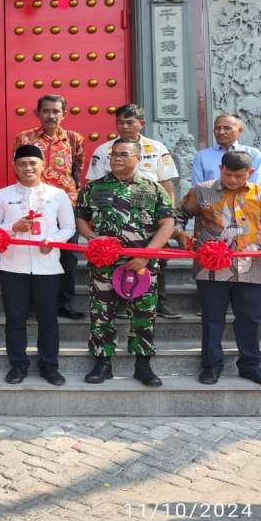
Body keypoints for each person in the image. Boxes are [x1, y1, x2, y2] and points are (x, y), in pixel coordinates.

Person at [176, 151, 261, 386]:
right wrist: (181, 235)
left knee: (249, 319)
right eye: (229, 175)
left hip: (251, 266)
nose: (233, 180)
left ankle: (250, 366)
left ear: (249, 173)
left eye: (239, 176)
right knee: (212, 319)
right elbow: (178, 215)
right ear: (220, 169)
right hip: (211, 265)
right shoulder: (201, 191)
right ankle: (211, 366)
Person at [75, 139, 176, 387]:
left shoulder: (153, 189)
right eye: (113, 155)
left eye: (123, 154)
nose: (117, 158)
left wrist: (147, 254)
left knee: (144, 313)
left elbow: (167, 224)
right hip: (103, 264)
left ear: (138, 159)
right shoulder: (93, 188)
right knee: (102, 314)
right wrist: (92, 238)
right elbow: (81, 218)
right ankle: (102, 362)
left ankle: (143, 365)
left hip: (141, 264)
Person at [0, 145, 75, 385]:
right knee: (15, 318)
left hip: (47, 266)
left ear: (42, 165)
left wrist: (54, 241)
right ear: (15, 167)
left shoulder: (57, 195)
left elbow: (69, 227)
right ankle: (18, 364)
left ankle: (49, 365)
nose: (28, 167)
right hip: (12, 266)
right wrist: (12, 228)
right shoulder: (3, 195)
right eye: (23, 163)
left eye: (32, 163)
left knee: (48, 318)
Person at [87, 104, 181, 319]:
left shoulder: (156, 148)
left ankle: (159, 301)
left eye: (130, 122)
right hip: (115, 216)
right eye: (120, 122)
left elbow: (167, 185)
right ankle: (120, 301)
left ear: (142, 123)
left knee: (157, 258)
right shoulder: (104, 150)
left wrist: (168, 217)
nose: (125, 126)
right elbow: (92, 184)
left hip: (149, 214)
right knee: (117, 259)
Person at [12, 95, 86, 320]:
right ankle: (34, 303)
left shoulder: (74, 139)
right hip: (35, 206)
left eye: (56, 111)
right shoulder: (25, 138)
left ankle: (64, 302)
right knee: (33, 253)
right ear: (38, 113)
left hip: (66, 205)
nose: (51, 115)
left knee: (68, 256)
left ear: (64, 113)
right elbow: (19, 169)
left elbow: (77, 171)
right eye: (46, 111)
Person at [191, 114, 261, 186]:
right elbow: (197, 189)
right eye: (217, 128)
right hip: (209, 197)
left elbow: (256, 188)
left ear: (240, 130)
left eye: (227, 128)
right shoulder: (202, 156)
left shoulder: (253, 154)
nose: (221, 132)